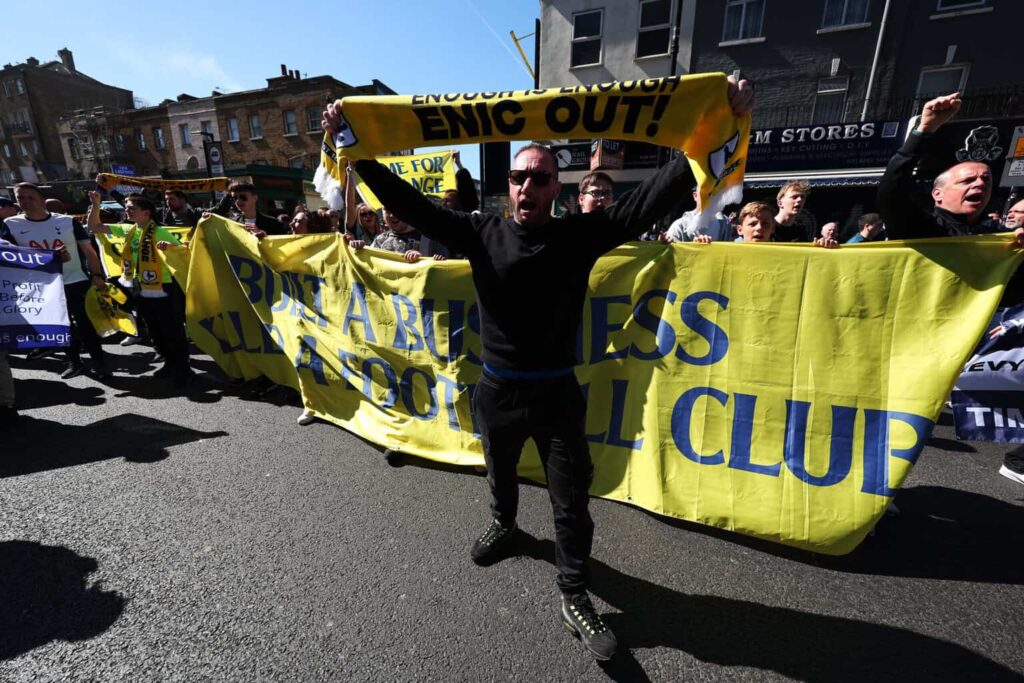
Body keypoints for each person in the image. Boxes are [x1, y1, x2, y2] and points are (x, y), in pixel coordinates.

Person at [325, 76, 755, 661]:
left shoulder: (582, 236)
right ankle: (503, 522)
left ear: (558, 187)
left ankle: (574, 592)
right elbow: (410, 204)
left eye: (541, 177)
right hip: (497, 392)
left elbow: (651, 198)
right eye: (519, 176)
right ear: (509, 185)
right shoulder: (480, 231)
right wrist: (356, 148)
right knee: (498, 472)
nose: (528, 185)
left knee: (571, 503)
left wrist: (716, 125)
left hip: (557, 397)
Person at [1, 183, 110, 378]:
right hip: (44, 287)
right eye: (20, 198)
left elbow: (89, 252)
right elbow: (9, 256)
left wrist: (97, 275)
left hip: (76, 281)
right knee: (60, 326)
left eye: (30, 197)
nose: (25, 201)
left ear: (43, 200)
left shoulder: (68, 222)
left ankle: (99, 362)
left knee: (87, 325)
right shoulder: (11, 224)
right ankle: (75, 361)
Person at [87, 191, 192, 386]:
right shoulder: (128, 230)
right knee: (154, 329)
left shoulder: (160, 232)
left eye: (131, 209)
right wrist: (96, 205)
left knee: (172, 329)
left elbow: (183, 254)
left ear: (147, 213)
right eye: (126, 208)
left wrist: (169, 247)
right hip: (139, 286)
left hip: (164, 287)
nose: (127, 211)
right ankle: (169, 362)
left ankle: (183, 368)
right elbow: (94, 227)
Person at [878, 92, 1008, 239]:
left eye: (986, 180)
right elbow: (892, 192)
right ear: (937, 194)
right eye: (967, 180)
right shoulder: (919, 227)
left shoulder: (999, 236)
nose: (980, 184)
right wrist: (925, 128)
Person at [211, 182, 286, 237]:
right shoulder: (232, 224)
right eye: (235, 198)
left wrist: (264, 238)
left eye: (243, 197)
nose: (238, 201)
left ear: (255, 198)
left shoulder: (273, 223)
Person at [664, 185, 734, 243]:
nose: (710, 196)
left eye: (715, 192)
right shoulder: (679, 227)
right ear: (695, 196)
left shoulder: (725, 224)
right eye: (705, 191)